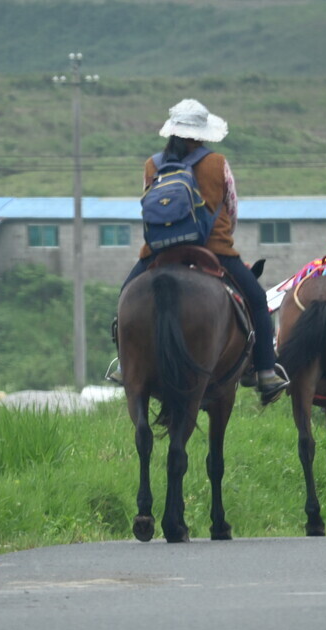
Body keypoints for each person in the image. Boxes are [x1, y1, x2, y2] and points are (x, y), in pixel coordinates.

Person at [109, 99, 288, 406]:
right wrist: (221, 236)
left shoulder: (152, 164)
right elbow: (231, 208)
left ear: (173, 132)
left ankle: (126, 365)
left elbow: (149, 207)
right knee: (258, 301)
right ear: (202, 134)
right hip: (213, 249)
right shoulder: (218, 163)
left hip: (158, 250)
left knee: (127, 296)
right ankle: (265, 373)